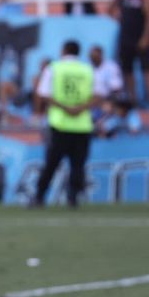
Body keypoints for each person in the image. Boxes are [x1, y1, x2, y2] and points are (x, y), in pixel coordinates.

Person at [31, 40, 95, 208]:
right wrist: (80, 107)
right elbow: (99, 94)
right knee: (78, 164)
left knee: (51, 164)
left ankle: (39, 197)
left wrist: (65, 107)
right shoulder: (87, 69)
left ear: (63, 50)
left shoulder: (54, 68)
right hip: (82, 124)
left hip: (59, 123)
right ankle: (73, 199)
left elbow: (43, 93)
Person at [108, 0, 149, 109]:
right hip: (126, 39)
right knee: (128, 71)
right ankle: (133, 100)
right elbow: (109, 10)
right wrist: (119, 19)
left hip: (140, 37)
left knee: (147, 70)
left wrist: (146, 37)